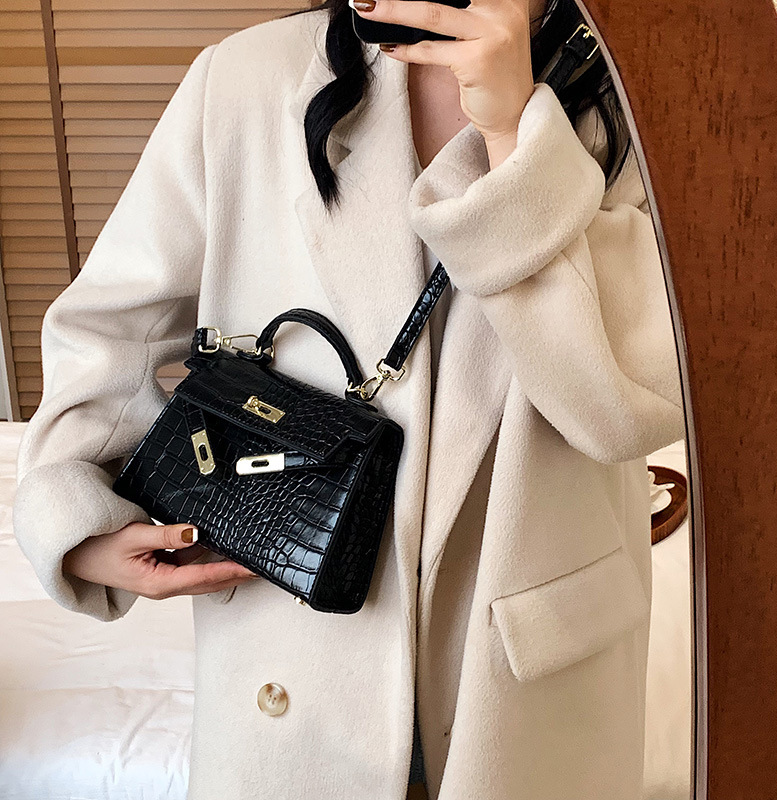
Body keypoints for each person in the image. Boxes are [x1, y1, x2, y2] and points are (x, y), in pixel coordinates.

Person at [12, 0, 685, 798]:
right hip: (289, 650)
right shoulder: (246, 81)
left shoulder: (644, 92)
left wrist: (516, 139)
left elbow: (619, 409)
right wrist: (74, 521)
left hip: (533, 676)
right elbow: (104, 334)